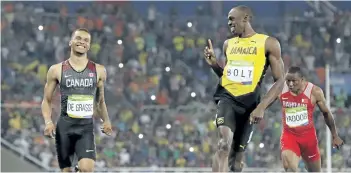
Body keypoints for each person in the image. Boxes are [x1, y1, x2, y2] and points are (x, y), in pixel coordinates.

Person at [203, 5, 285, 172]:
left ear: (246, 18)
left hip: (250, 105)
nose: (229, 23)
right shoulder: (228, 44)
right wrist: (214, 65)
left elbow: (280, 81)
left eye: (232, 19)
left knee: (236, 163)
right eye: (228, 20)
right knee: (223, 144)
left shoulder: (268, 43)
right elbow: (228, 77)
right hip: (227, 99)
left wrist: (261, 107)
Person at [41, 28, 113, 172]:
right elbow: (46, 100)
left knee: (87, 168)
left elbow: (100, 101)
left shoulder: (98, 70)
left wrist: (106, 120)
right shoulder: (56, 70)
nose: (82, 42)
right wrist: (48, 122)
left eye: (86, 40)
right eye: (78, 38)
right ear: (70, 42)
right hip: (64, 129)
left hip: (85, 128)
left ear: (89, 46)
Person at [279, 66, 344, 172]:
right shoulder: (281, 89)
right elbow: (267, 99)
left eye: (294, 81)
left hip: (308, 139)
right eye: (288, 81)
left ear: (302, 80)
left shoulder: (315, 92)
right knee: (288, 166)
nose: (290, 84)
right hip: (289, 135)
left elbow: (326, 113)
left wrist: (335, 135)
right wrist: (260, 108)